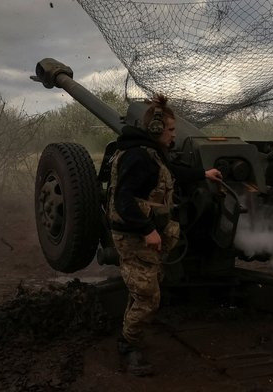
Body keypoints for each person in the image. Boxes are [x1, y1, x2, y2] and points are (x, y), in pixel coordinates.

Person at [107, 94, 222, 376]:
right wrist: (147, 230)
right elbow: (123, 200)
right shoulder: (138, 156)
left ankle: (131, 332)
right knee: (148, 298)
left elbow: (170, 174)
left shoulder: (152, 153)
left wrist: (202, 174)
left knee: (145, 289)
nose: (174, 135)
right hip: (134, 237)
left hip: (145, 235)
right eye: (171, 130)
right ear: (156, 130)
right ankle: (128, 346)